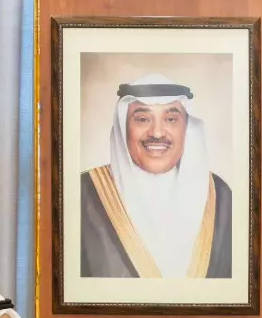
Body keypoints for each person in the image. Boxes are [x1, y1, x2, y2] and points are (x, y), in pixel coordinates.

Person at [79, 75, 232, 279]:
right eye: (143, 119)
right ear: (124, 127)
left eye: (171, 119)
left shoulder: (219, 195)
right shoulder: (84, 193)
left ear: (186, 127)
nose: (157, 133)